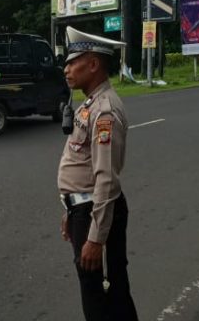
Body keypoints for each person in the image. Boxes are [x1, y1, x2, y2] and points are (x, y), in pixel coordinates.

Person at [58, 26, 138, 320]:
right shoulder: (91, 103)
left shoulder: (104, 111)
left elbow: (106, 179)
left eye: (73, 62)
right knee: (113, 292)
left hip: (95, 211)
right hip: (85, 208)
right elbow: (84, 167)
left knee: (98, 296)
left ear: (93, 65)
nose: (66, 69)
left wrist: (95, 238)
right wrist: (70, 209)